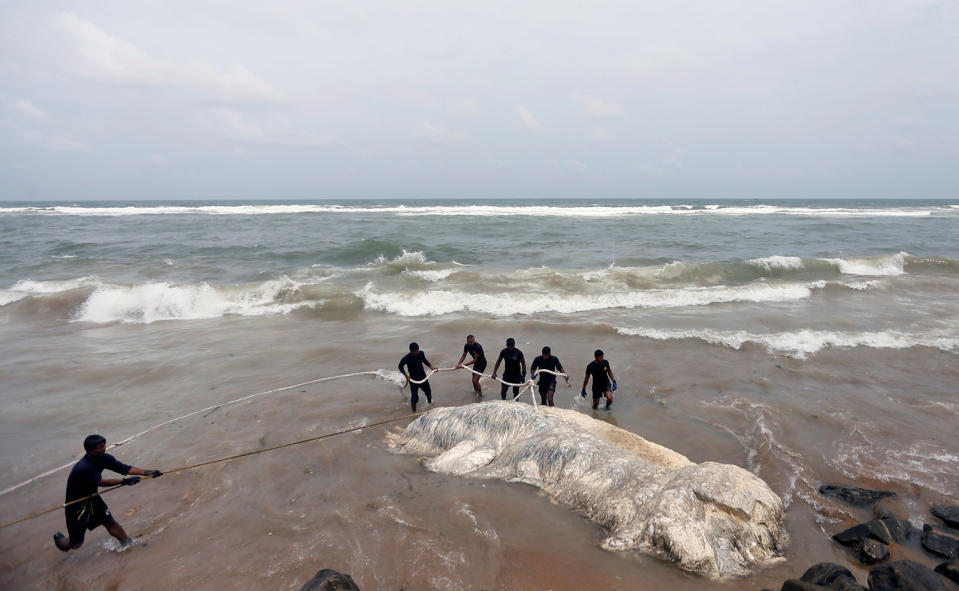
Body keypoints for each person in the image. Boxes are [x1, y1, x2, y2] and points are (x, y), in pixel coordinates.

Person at [53, 434, 162, 552]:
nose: (103, 449)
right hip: (76, 505)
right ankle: (61, 541)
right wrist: (124, 482)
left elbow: (124, 468)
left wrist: (148, 473)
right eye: (99, 447)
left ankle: (128, 544)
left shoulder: (105, 458)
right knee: (76, 544)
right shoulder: (84, 467)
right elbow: (100, 483)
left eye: (103, 445)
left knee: (110, 522)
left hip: (93, 498)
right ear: (89, 450)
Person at [398, 342, 437, 412]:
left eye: (418, 350)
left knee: (428, 391)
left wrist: (431, 367)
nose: (417, 352)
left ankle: (430, 403)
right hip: (413, 379)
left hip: (423, 376)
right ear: (411, 351)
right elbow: (400, 366)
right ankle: (414, 413)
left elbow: (424, 360)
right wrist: (406, 376)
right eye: (416, 351)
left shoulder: (421, 353)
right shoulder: (406, 358)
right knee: (414, 398)